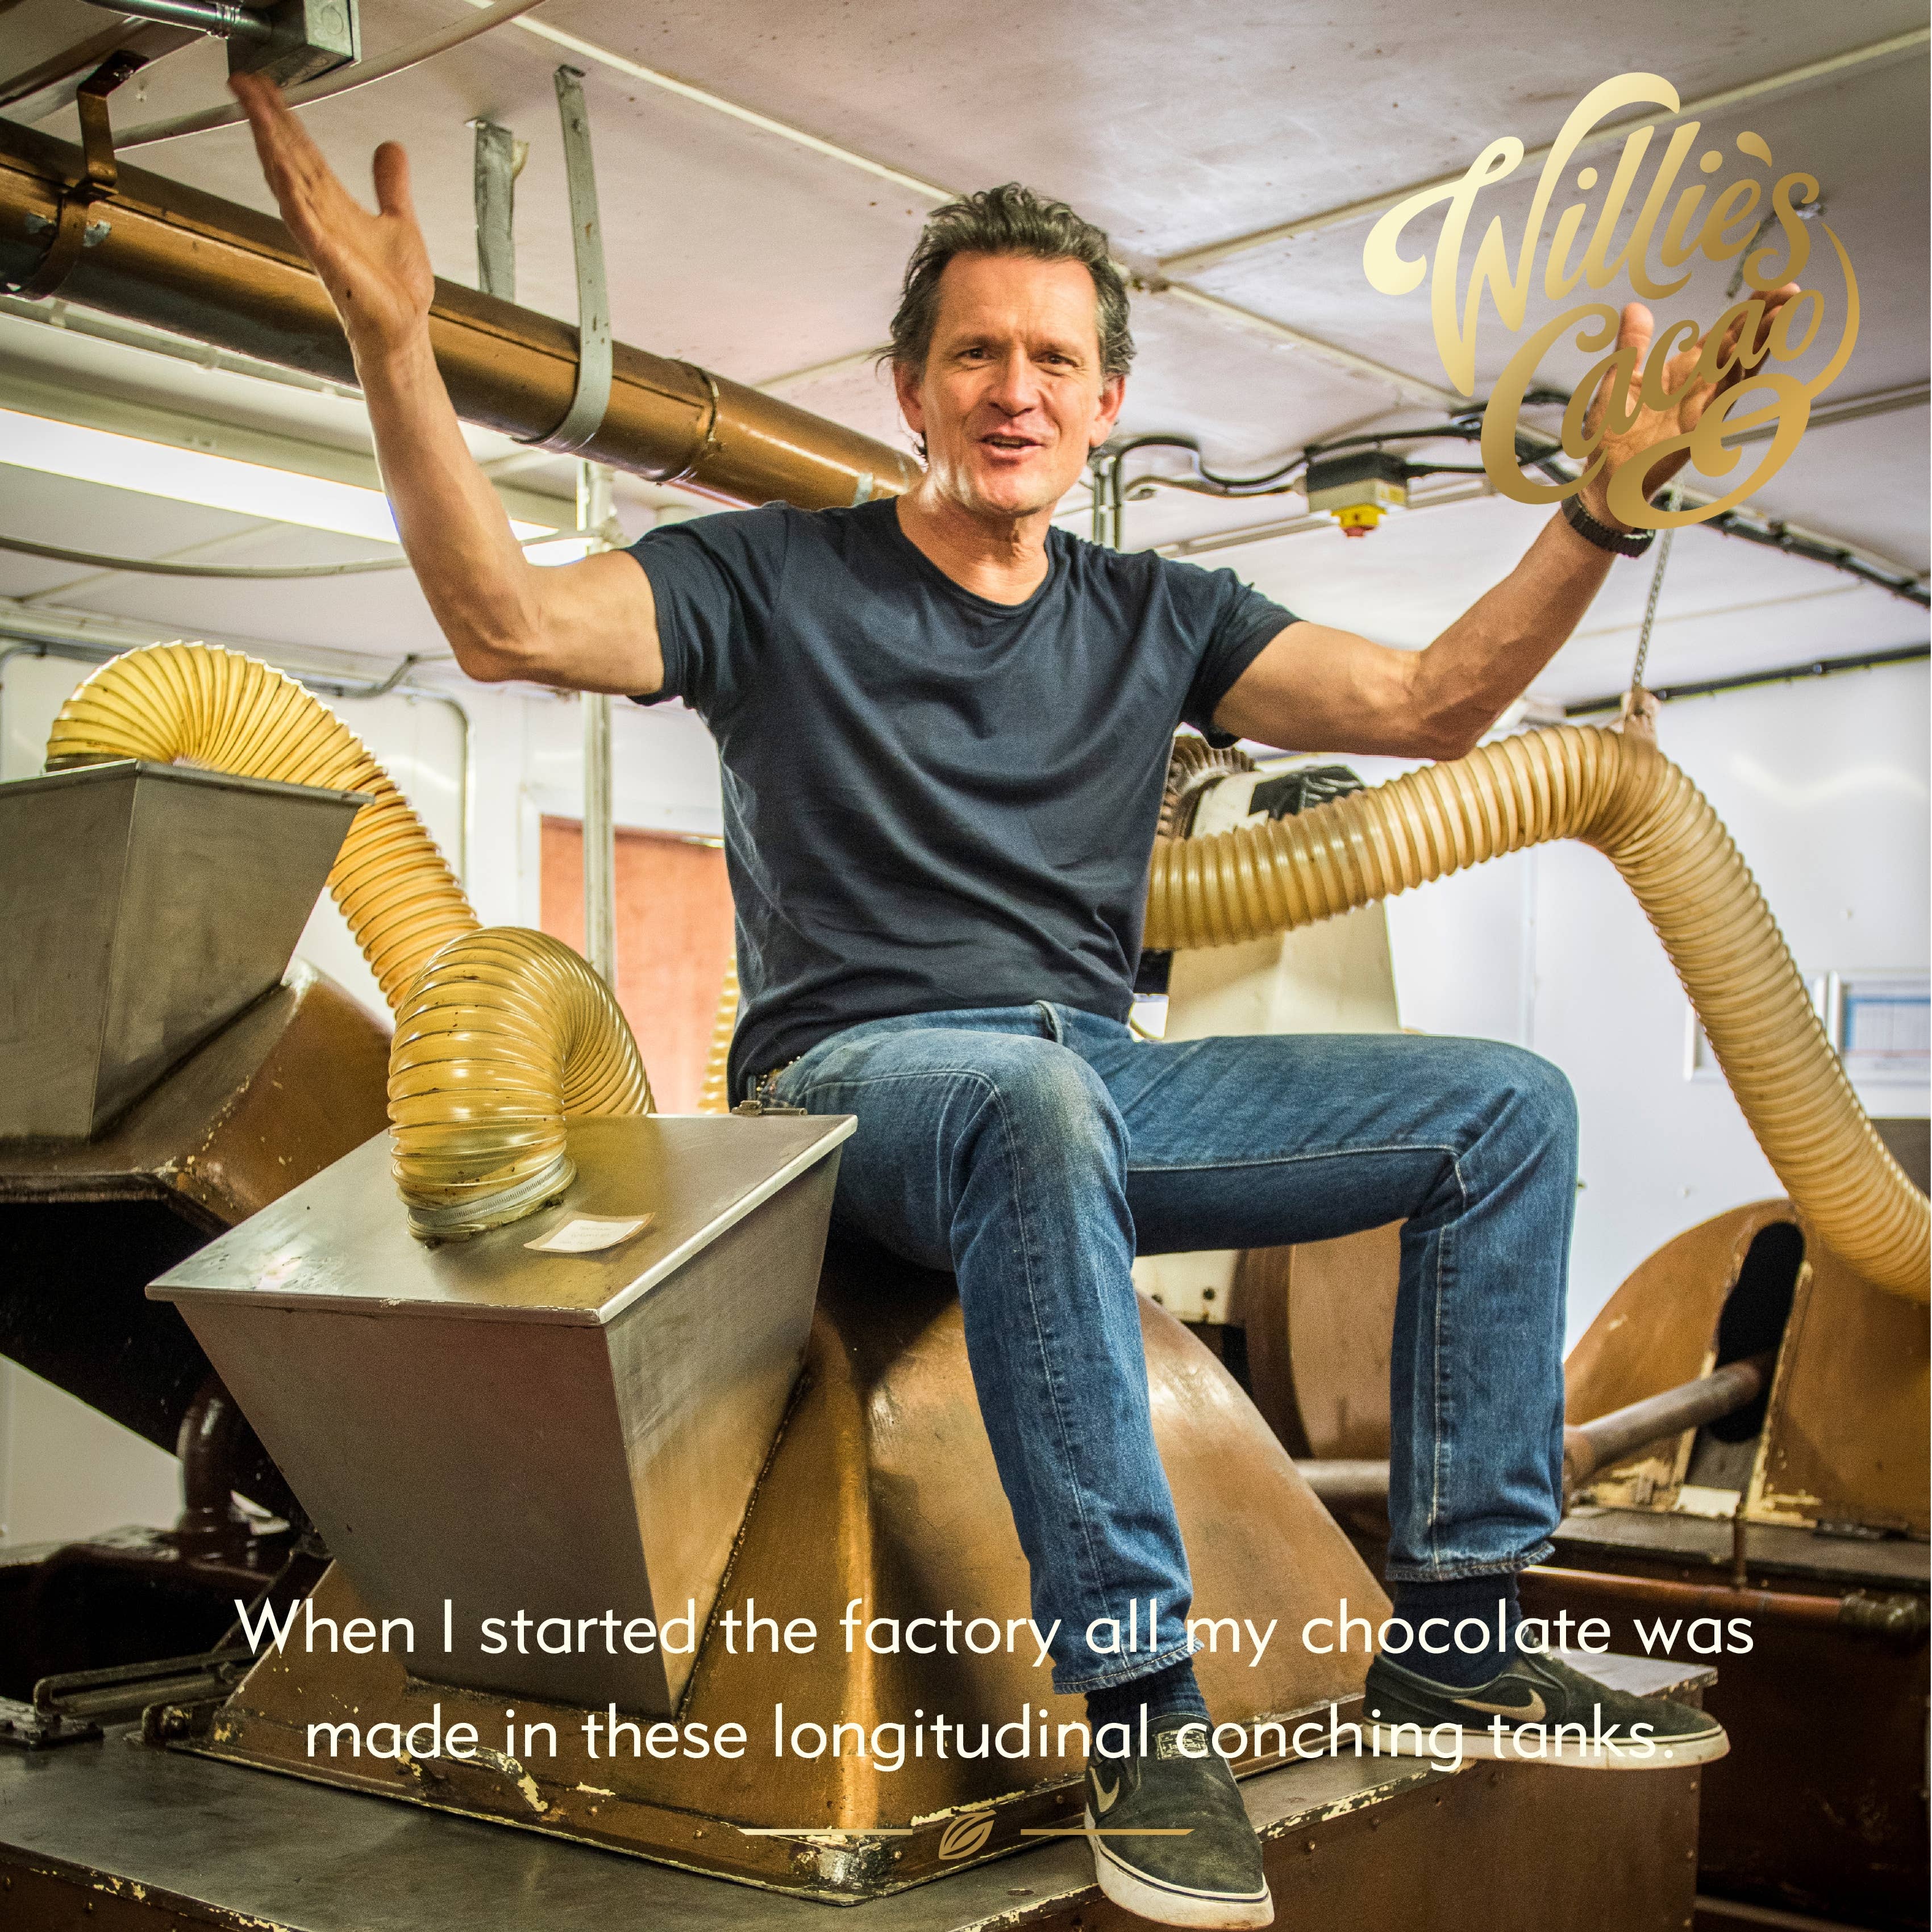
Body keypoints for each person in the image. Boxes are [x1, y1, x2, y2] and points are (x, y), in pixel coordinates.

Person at [233, 72, 1788, 1929]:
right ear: (912, 387)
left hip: (1097, 1079)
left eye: (1055, 358)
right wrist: (396, 352)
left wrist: (1605, 513)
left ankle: (1454, 1636)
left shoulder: (1155, 614)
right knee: (1029, 1104)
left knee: (1506, 1109)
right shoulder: (770, 578)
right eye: (976, 352)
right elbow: (506, 621)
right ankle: (1140, 1704)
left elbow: (1433, 703)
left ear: (1107, 401)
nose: (1015, 389)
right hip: (855, 1090)